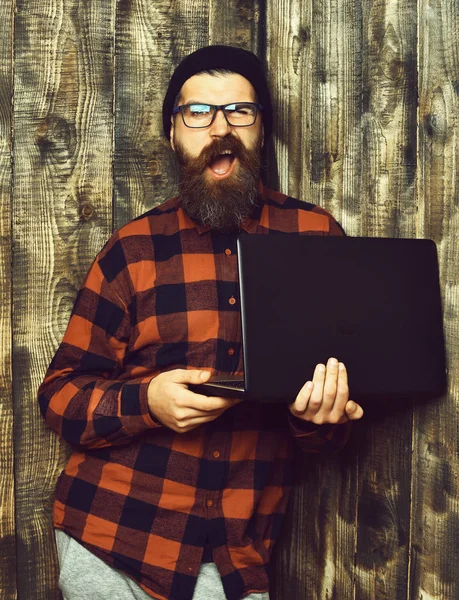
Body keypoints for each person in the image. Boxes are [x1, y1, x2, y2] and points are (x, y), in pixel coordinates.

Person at [38, 45, 364, 600]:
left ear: (262, 128)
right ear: (173, 133)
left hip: (236, 559)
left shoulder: (317, 239)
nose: (221, 127)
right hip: (111, 540)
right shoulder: (132, 249)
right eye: (199, 113)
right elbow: (60, 396)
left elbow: (337, 424)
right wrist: (149, 403)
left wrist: (321, 418)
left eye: (240, 110)